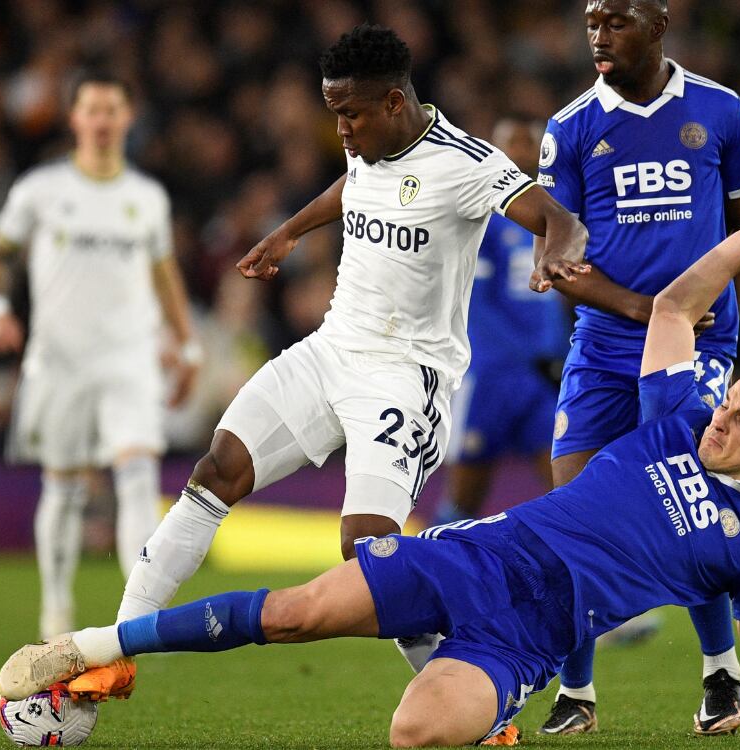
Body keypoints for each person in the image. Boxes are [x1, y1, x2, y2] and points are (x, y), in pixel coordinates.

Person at [0, 175, 740, 749]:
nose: (723, 423)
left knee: (418, 730)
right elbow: (675, 308)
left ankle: (496, 718)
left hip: (536, 631)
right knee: (297, 612)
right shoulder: (678, 415)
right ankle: (85, 648)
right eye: (729, 406)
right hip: (484, 553)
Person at [60, 25, 590, 700]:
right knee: (217, 468)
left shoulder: (468, 164)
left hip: (405, 376)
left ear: (395, 102)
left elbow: (560, 218)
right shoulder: (369, 145)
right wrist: (288, 230)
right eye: (333, 111)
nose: (339, 127)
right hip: (330, 350)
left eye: (350, 113)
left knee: (369, 558)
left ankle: (478, 692)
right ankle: (119, 647)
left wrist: (553, 248)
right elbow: (354, 185)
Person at [535, 0, 740, 735]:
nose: (599, 34)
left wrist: (723, 333)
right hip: (603, 345)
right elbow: (559, 261)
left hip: (696, 348)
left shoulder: (721, 112)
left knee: (689, 498)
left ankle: (722, 674)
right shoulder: (570, 128)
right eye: (592, 21)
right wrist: (648, 309)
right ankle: (576, 694)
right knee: (570, 511)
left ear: (660, 24)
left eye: (618, 20)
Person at [0, 71, 201, 639]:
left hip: (130, 359)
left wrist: (187, 344)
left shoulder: (146, 199)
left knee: (136, 474)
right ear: (74, 119)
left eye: (112, 110)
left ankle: (137, 618)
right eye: (92, 110)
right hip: (60, 361)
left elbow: (163, 272)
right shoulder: (41, 190)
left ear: (127, 119)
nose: (102, 121)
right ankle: (55, 610)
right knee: (65, 485)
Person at [431, 116, 571, 526]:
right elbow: (475, 303)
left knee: (564, 490)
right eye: (511, 142)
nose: (521, 152)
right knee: (463, 502)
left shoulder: (553, 215)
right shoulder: (479, 217)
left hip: (542, 377)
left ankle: (571, 581)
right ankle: (428, 576)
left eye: (529, 143)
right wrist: (533, 354)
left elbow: (555, 302)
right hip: (490, 373)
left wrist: (558, 353)